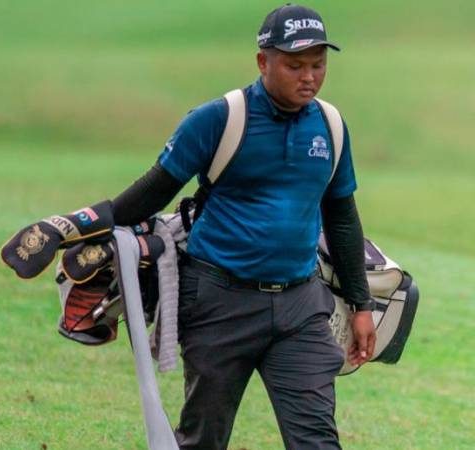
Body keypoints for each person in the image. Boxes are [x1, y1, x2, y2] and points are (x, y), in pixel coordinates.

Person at [111, 4, 375, 449]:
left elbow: (342, 217)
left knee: (317, 440)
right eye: (294, 65)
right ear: (263, 62)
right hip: (218, 303)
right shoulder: (217, 119)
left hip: (301, 307)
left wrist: (360, 303)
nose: (308, 76)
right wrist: (90, 223)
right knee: (204, 439)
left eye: (318, 64)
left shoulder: (330, 127)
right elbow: (153, 192)